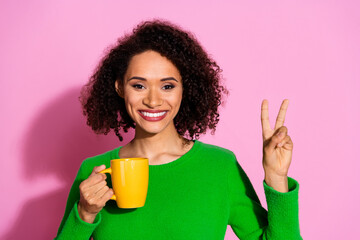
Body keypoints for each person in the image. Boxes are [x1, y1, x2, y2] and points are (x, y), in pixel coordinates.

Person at [54, 19, 302, 240]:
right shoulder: (94, 172)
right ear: (120, 88)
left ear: (185, 89)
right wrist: (85, 214)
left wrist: (276, 177)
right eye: (139, 86)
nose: (153, 100)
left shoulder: (219, 166)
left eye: (167, 86)